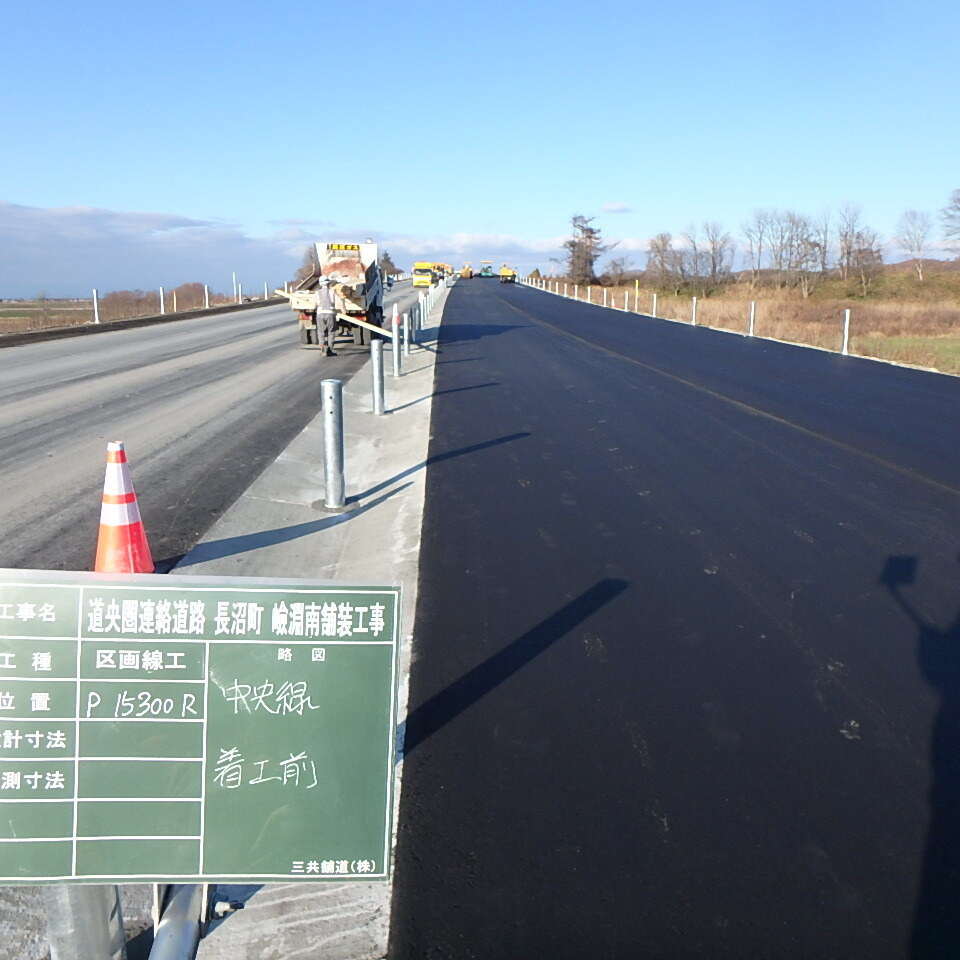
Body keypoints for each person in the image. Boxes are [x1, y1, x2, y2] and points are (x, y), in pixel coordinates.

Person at [314, 276, 337, 356]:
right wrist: (342, 310)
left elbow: (315, 304)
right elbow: (336, 302)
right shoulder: (332, 291)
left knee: (321, 332)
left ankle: (323, 349)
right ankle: (330, 349)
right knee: (331, 332)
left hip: (320, 314)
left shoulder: (317, 292)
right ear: (328, 283)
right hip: (330, 313)